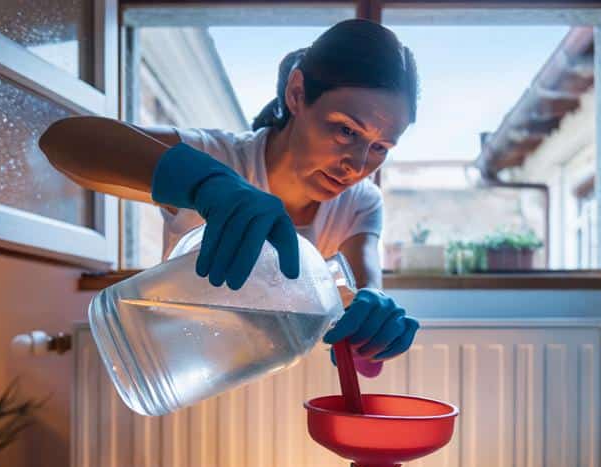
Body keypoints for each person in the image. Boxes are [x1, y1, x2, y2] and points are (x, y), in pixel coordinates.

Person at [40, 19, 419, 365]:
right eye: (346, 130)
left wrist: (375, 313)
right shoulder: (220, 158)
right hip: (176, 368)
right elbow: (63, 141)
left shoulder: (360, 201)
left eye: (380, 147)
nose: (357, 164)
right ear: (297, 94)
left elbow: (363, 280)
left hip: (262, 377)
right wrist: (205, 184)